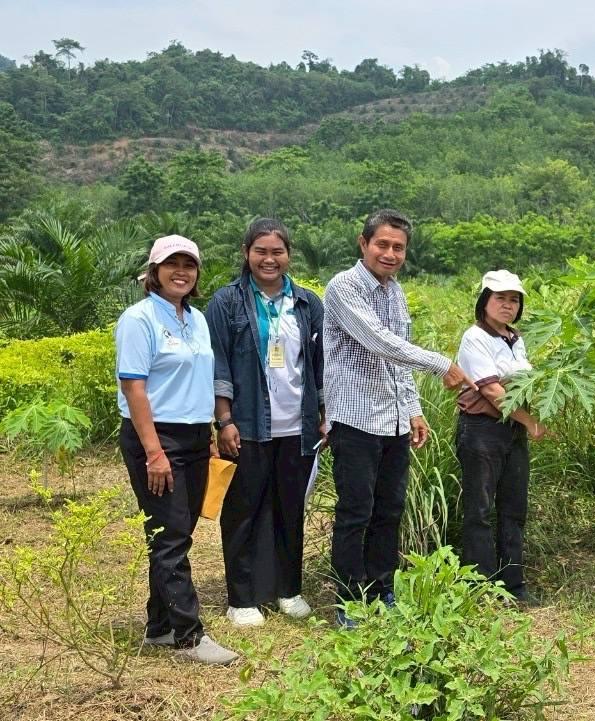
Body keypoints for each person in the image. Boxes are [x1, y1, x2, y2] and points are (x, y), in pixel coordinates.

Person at [323, 209, 476, 626]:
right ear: (363, 243)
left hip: (391, 420)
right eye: (382, 245)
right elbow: (380, 342)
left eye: (398, 247)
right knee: (356, 511)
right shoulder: (344, 287)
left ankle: (381, 589)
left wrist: (412, 409)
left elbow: (398, 359)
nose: (390, 254)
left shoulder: (395, 291)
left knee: (389, 510)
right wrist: (442, 364)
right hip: (354, 418)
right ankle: (349, 601)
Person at [116, 235, 237, 665]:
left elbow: (200, 381)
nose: (181, 271)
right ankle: (189, 635)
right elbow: (134, 387)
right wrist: (154, 453)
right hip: (156, 437)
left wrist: (207, 433)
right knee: (169, 537)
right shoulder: (139, 319)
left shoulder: (198, 319)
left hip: (192, 436)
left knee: (176, 534)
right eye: (172, 264)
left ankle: (159, 627)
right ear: (154, 271)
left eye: (189, 264)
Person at [207, 218, 325, 627]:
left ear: (288, 255)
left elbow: (318, 367)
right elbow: (218, 363)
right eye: (261, 251)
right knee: (243, 510)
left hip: (298, 427)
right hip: (249, 426)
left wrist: (323, 416)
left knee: (290, 509)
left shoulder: (308, 303)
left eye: (277, 251)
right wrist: (224, 419)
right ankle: (241, 598)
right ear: (246, 253)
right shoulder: (226, 303)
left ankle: (288, 589)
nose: (269, 259)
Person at [454, 270, 547, 606]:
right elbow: (493, 391)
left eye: (514, 300)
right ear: (484, 301)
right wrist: (532, 422)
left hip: (512, 431)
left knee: (513, 508)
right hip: (481, 430)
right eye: (500, 298)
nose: (508, 305)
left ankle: (514, 584)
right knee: (480, 510)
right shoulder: (474, 338)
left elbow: (525, 383)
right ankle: (482, 587)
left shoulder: (514, 338)